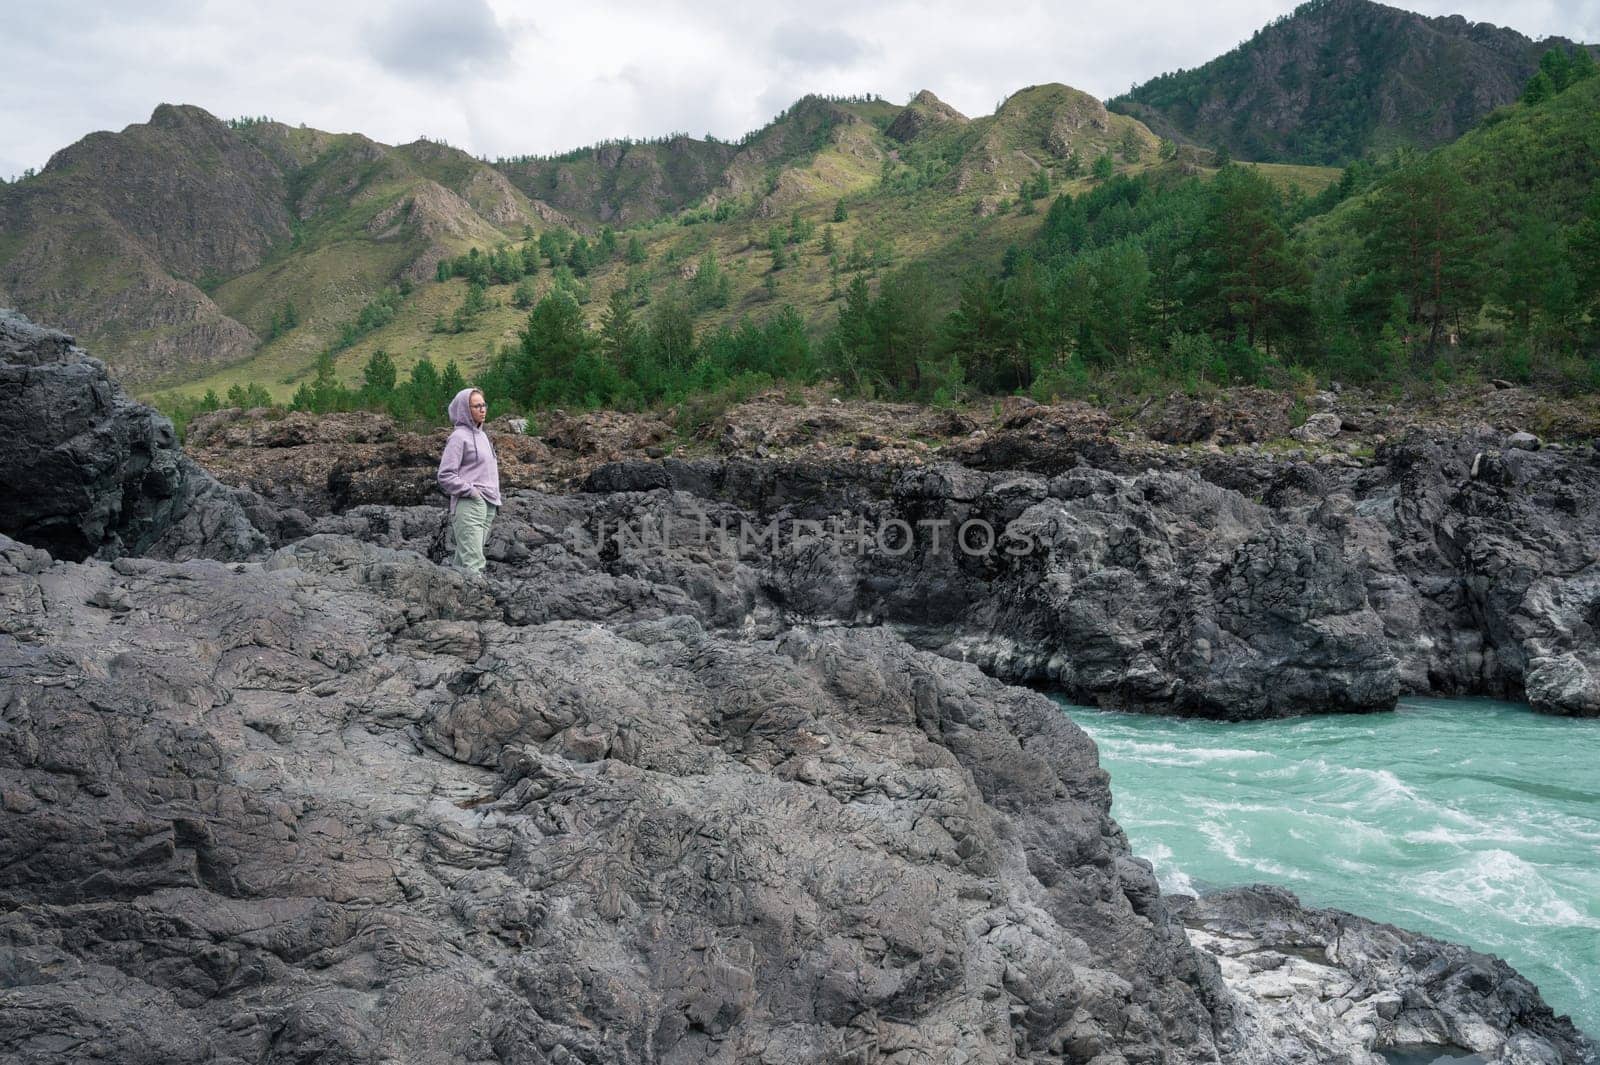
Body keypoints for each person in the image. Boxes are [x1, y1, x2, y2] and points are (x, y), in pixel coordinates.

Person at [437, 387, 501, 574]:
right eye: (476, 406)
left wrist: (493, 500)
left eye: (483, 405)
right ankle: (478, 601)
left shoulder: (483, 436)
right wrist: (472, 492)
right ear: (464, 410)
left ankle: (454, 597)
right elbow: (445, 475)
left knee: (464, 559)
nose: (482, 409)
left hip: (489, 504)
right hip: (469, 504)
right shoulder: (458, 437)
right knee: (474, 562)